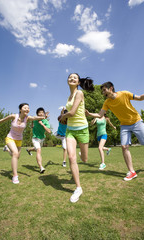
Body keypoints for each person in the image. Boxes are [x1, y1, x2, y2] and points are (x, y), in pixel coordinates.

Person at [86, 82, 144, 181]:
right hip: (124, 125)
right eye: (102, 91)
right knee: (124, 146)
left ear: (111, 88)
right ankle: (131, 171)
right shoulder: (107, 102)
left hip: (136, 122)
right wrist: (89, 114)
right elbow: (100, 114)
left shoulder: (124, 93)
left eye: (104, 90)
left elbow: (140, 98)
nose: (103, 92)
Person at [60, 73, 94, 203]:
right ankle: (78, 188)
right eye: (70, 77)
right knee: (71, 157)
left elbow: (72, 112)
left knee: (84, 159)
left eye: (75, 77)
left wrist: (63, 116)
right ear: (67, 81)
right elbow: (68, 113)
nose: (72, 78)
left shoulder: (79, 94)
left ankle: (82, 153)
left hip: (82, 129)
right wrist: (63, 116)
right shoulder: (68, 97)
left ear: (78, 82)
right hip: (70, 131)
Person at [0, 103, 47, 184]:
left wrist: (43, 117)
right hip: (10, 138)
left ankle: (7, 150)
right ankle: (15, 176)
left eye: (28, 108)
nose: (27, 109)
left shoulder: (27, 118)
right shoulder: (13, 116)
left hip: (19, 140)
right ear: (20, 109)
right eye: (25, 107)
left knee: (17, 156)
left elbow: (35, 117)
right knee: (15, 154)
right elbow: (3, 120)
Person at [26, 107, 51, 173]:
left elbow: (49, 131)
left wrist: (42, 124)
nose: (41, 113)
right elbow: (31, 119)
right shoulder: (35, 119)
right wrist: (32, 123)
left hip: (42, 138)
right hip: (35, 138)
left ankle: (28, 150)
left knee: (36, 149)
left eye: (42, 112)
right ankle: (41, 167)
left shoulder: (46, 121)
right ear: (37, 114)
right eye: (39, 112)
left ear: (44, 113)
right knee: (38, 150)